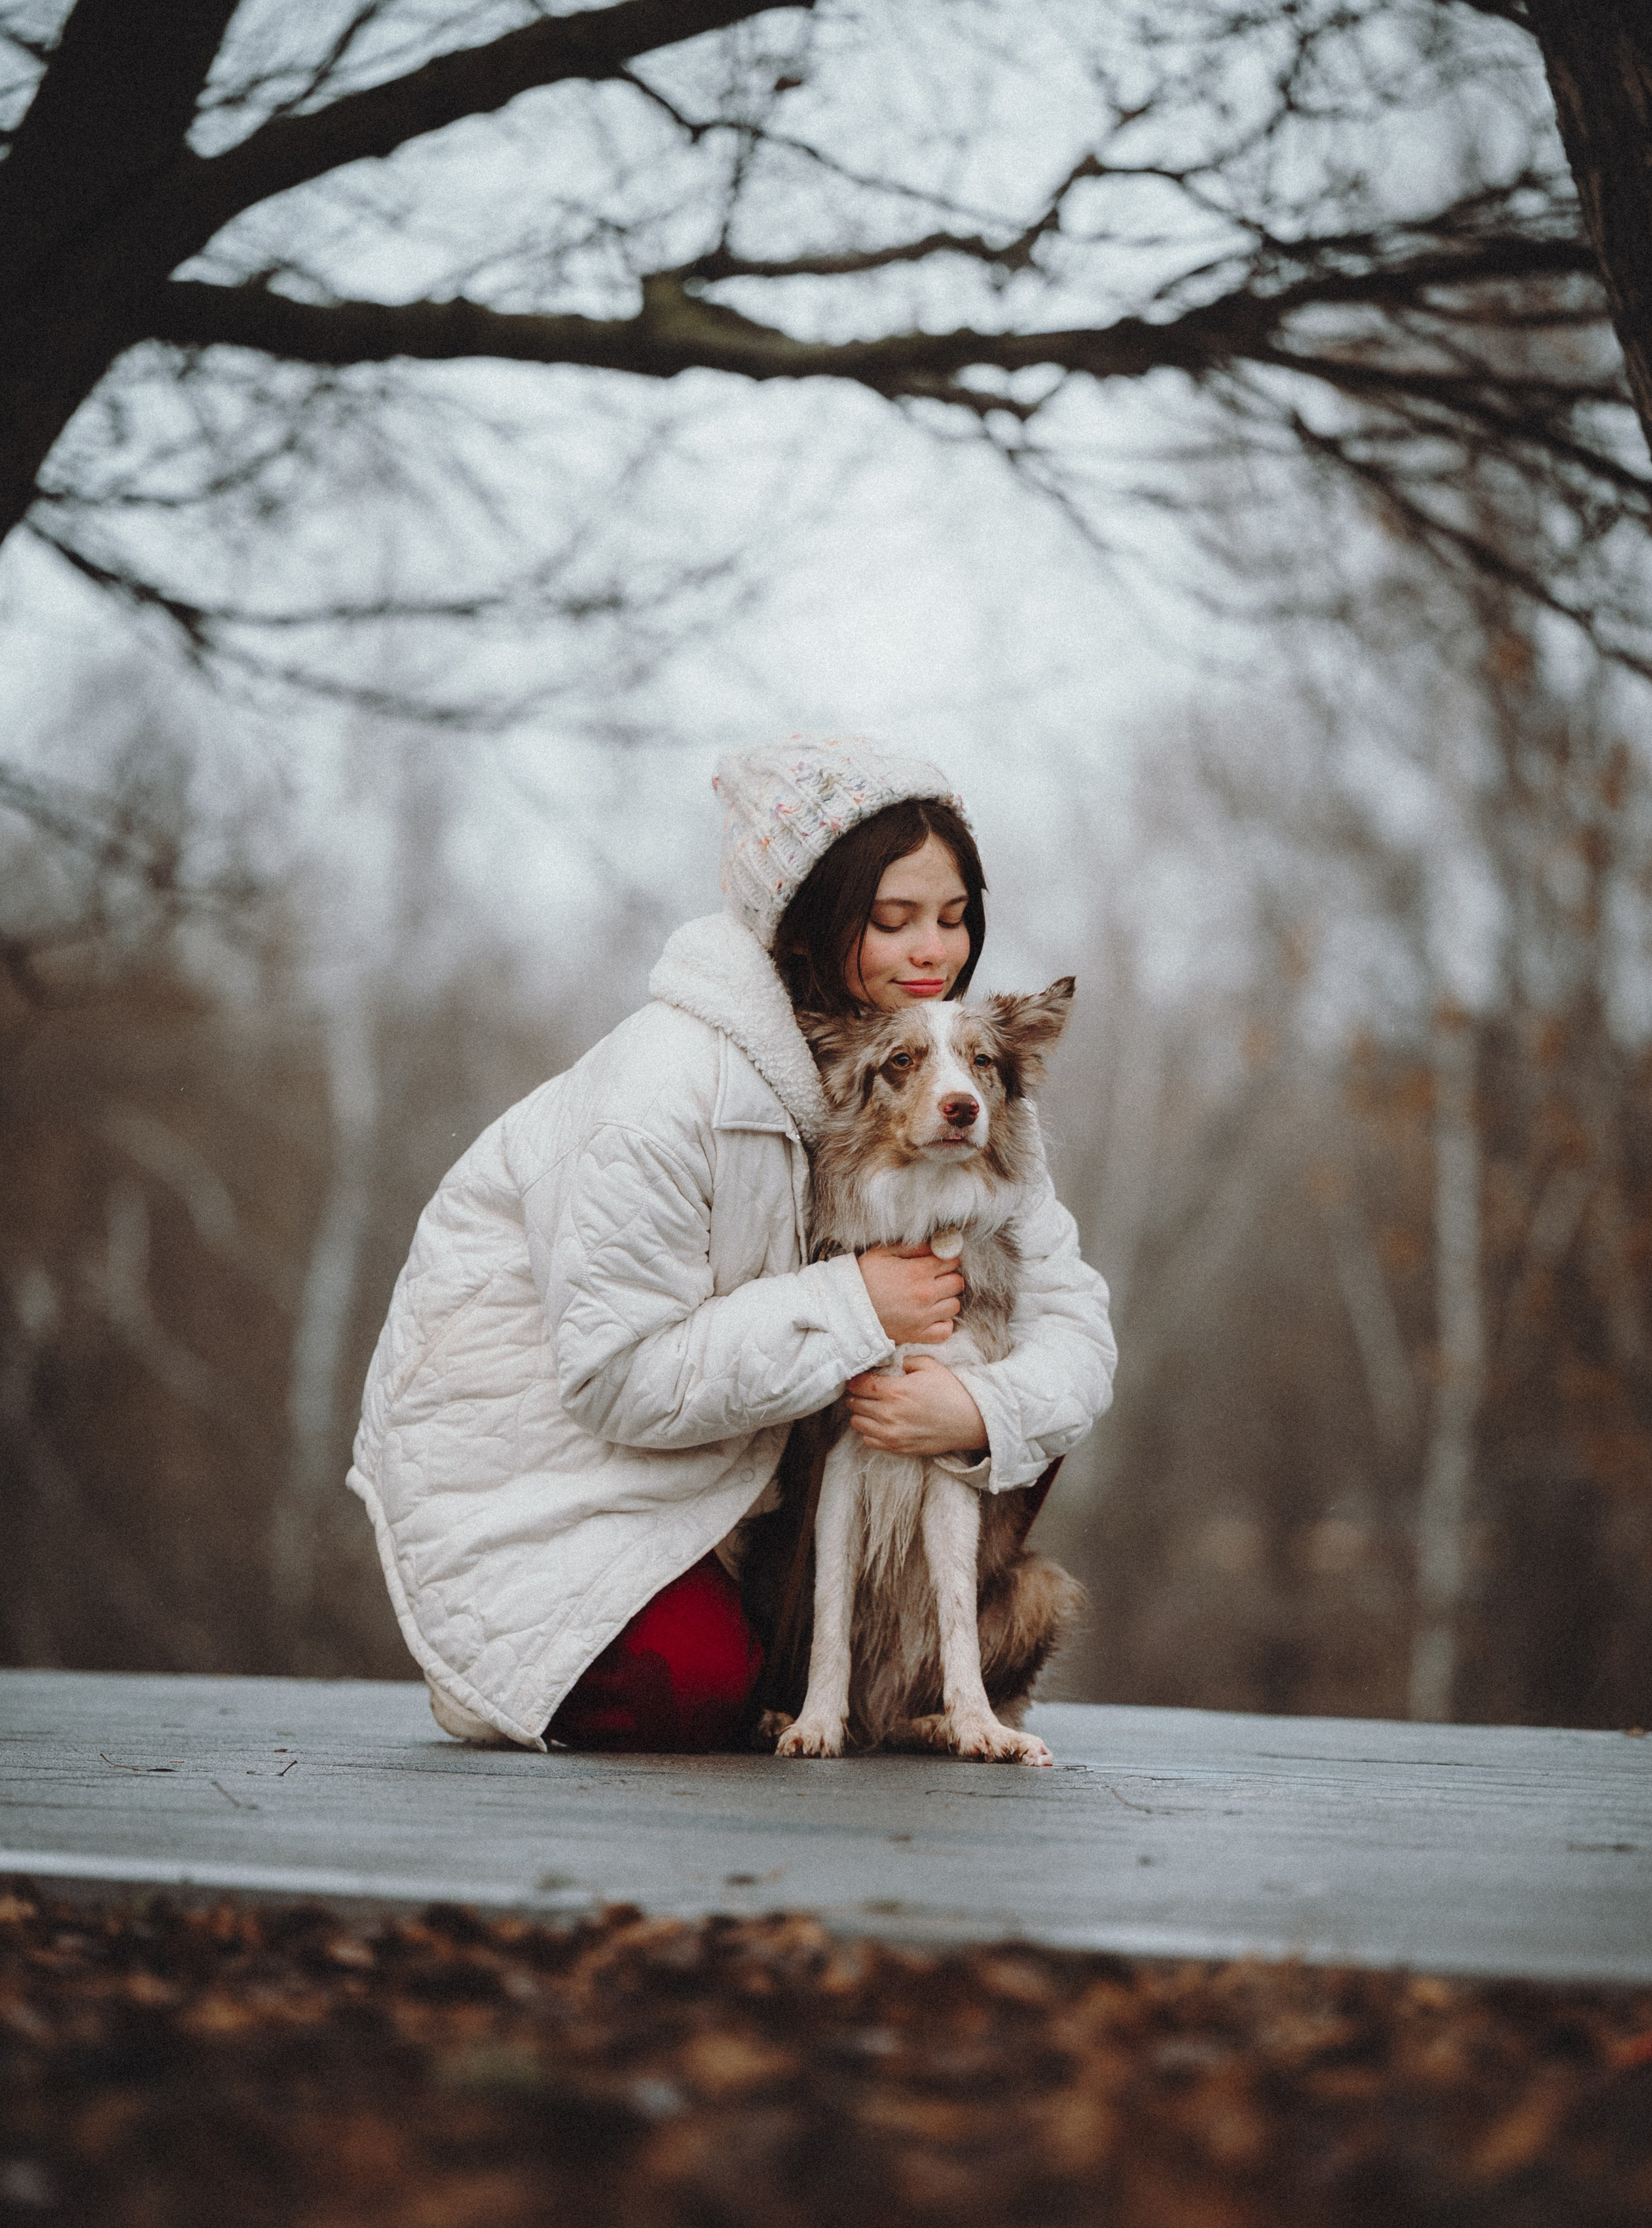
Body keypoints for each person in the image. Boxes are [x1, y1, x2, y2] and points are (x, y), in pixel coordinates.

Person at [350, 734, 1116, 1751]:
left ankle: (901, 1684)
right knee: (688, 1690)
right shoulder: (666, 1088)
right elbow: (615, 1377)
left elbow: (1073, 1329)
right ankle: (518, 1673)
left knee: (1011, 1400)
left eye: (954, 916)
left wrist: (976, 1409)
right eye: (893, 921)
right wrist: (856, 1306)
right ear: (806, 922)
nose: (934, 952)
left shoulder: (959, 1090)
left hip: (749, 1463)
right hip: (567, 1477)